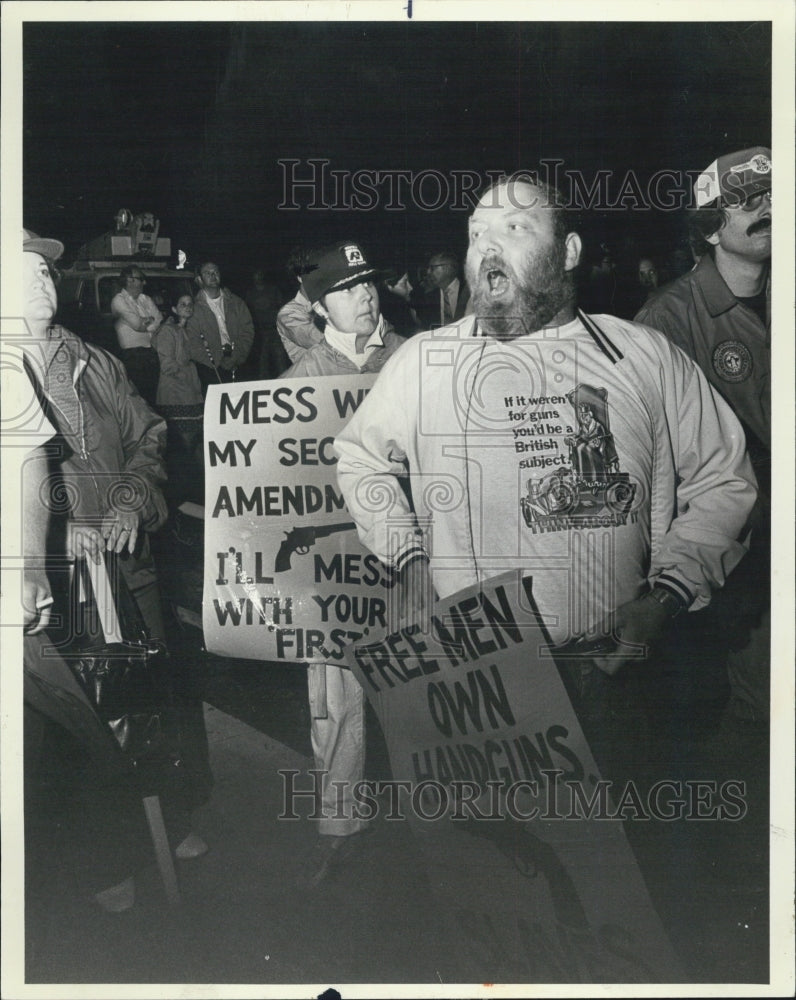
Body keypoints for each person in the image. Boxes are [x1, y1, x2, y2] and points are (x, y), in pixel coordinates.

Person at [334, 174, 757, 773]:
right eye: (476, 232)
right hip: (474, 674)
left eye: (514, 228)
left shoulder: (643, 356)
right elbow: (359, 457)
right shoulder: (424, 363)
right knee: (498, 858)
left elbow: (724, 479)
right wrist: (406, 559)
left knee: (627, 851)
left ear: (569, 252)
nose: (486, 246)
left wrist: (663, 600)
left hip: (612, 674)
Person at [22, 228, 211, 909]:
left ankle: (171, 814)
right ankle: (107, 859)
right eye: (24, 269)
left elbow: (149, 434)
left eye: (48, 269)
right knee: (80, 730)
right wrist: (49, 536)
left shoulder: (94, 361)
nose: (44, 279)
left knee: (151, 696)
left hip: (125, 570)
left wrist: (132, 500)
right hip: (53, 589)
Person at [282, 241, 403, 888]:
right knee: (336, 702)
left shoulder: (410, 357)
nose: (365, 296)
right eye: (350, 288)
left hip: (407, 555)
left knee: (425, 689)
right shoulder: (302, 378)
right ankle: (341, 829)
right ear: (322, 303)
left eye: (370, 284)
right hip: (334, 566)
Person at [635, 147, 771, 722]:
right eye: (746, 200)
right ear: (710, 227)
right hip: (739, 549)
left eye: (775, 193)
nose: (769, 207)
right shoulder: (667, 320)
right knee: (757, 702)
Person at [155, 292, 204, 501]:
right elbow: (168, 366)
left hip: (190, 393)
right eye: (182, 304)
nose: (187, 307)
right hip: (175, 394)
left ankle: (194, 487)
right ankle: (182, 492)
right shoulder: (167, 331)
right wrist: (187, 371)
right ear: (174, 309)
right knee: (182, 445)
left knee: (194, 441)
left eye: (190, 304)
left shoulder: (185, 330)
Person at [185, 260, 255, 393]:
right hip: (210, 368)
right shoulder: (194, 307)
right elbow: (192, 340)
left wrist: (236, 356)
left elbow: (247, 331)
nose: (213, 275)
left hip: (237, 362)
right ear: (199, 279)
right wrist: (216, 361)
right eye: (207, 273)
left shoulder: (236, 302)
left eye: (215, 272)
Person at [110, 265, 163, 407]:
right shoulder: (119, 300)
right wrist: (149, 322)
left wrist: (147, 323)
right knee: (138, 400)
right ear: (130, 280)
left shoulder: (145, 299)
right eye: (141, 279)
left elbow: (159, 319)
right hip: (132, 357)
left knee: (152, 397)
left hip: (150, 353)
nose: (144, 283)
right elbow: (138, 325)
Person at [386, 250, 470, 330]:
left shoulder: (470, 292)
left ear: (448, 268)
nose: (428, 272)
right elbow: (424, 325)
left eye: (432, 268)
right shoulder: (429, 297)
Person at [276, 247, 326, 364]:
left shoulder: (328, 303)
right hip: (313, 380)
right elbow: (317, 339)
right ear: (300, 277)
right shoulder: (288, 313)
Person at [244, 268, 288, 379]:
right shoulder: (250, 293)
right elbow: (247, 313)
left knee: (280, 360)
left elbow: (282, 308)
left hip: (274, 330)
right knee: (262, 362)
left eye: (260, 274)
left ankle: (285, 382)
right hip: (260, 332)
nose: (258, 277)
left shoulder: (273, 290)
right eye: (256, 274)